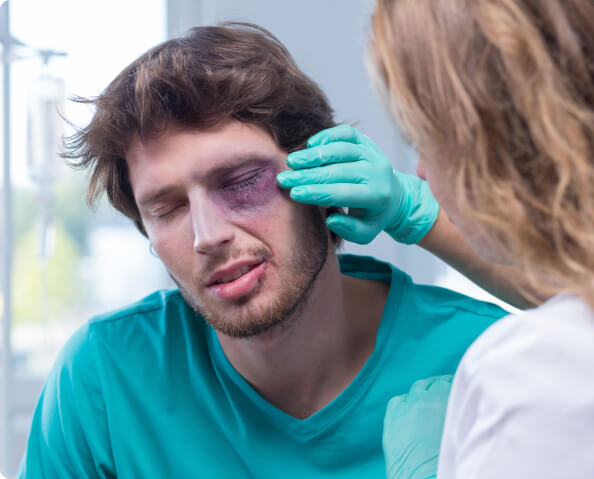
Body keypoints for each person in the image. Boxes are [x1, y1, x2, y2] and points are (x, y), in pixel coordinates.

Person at [19, 23, 520, 479]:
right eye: (167, 208)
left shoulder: (482, 357)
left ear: (324, 179)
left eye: (241, 181)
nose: (206, 236)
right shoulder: (105, 379)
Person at [289, 0, 594, 477]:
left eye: (424, 140)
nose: (419, 173)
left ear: (485, 143)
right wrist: (413, 214)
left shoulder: (534, 371)